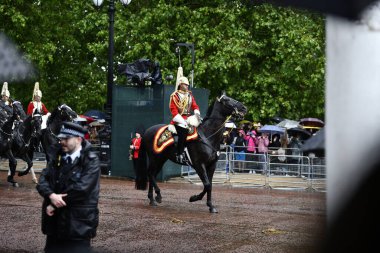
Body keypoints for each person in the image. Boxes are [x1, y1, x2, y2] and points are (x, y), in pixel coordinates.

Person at [36, 122, 100, 253]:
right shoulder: (56, 157)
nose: (62, 142)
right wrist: (51, 195)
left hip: (78, 226)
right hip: (54, 226)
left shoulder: (91, 160)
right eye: (61, 138)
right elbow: (42, 180)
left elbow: (81, 189)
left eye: (66, 138)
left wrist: (54, 204)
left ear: (78, 139)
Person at [169, 76, 201, 163]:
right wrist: (183, 122)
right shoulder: (174, 96)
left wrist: (197, 114)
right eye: (185, 84)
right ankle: (179, 153)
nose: (187, 86)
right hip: (179, 119)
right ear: (180, 84)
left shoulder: (189, 95)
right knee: (183, 132)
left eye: (187, 85)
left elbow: (195, 106)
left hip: (189, 118)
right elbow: (174, 112)